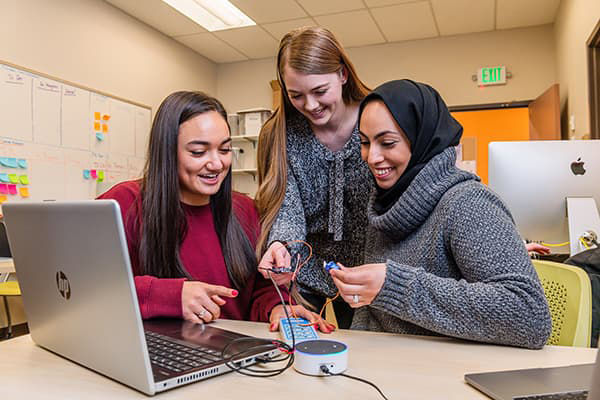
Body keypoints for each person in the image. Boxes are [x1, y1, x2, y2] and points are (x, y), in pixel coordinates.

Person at [329, 80, 552, 349]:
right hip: (386, 368)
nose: (372, 157)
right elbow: (375, 313)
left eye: (387, 143)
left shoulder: (468, 203)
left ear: (424, 140)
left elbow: (529, 315)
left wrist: (395, 286)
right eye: (365, 143)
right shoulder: (384, 204)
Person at [98, 91, 333, 333]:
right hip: (151, 354)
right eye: (198, 152)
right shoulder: (123, 203)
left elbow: (260, 290)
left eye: (224, 150)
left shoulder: (246, 210)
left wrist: (276, 307)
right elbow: (87, 287)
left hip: (232, 353)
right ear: (166, 152)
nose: (216, 164)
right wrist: (170, 296)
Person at [255, 27, 373, 328]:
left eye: (320, 91)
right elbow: (287, 205)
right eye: (296, 95)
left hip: (369, 266)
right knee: (297, 347)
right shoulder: (280, 133)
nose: (310, 105)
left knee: (370, 353)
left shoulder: (376, 118)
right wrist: (283, 247)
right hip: (304, 267)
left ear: (343, 75)